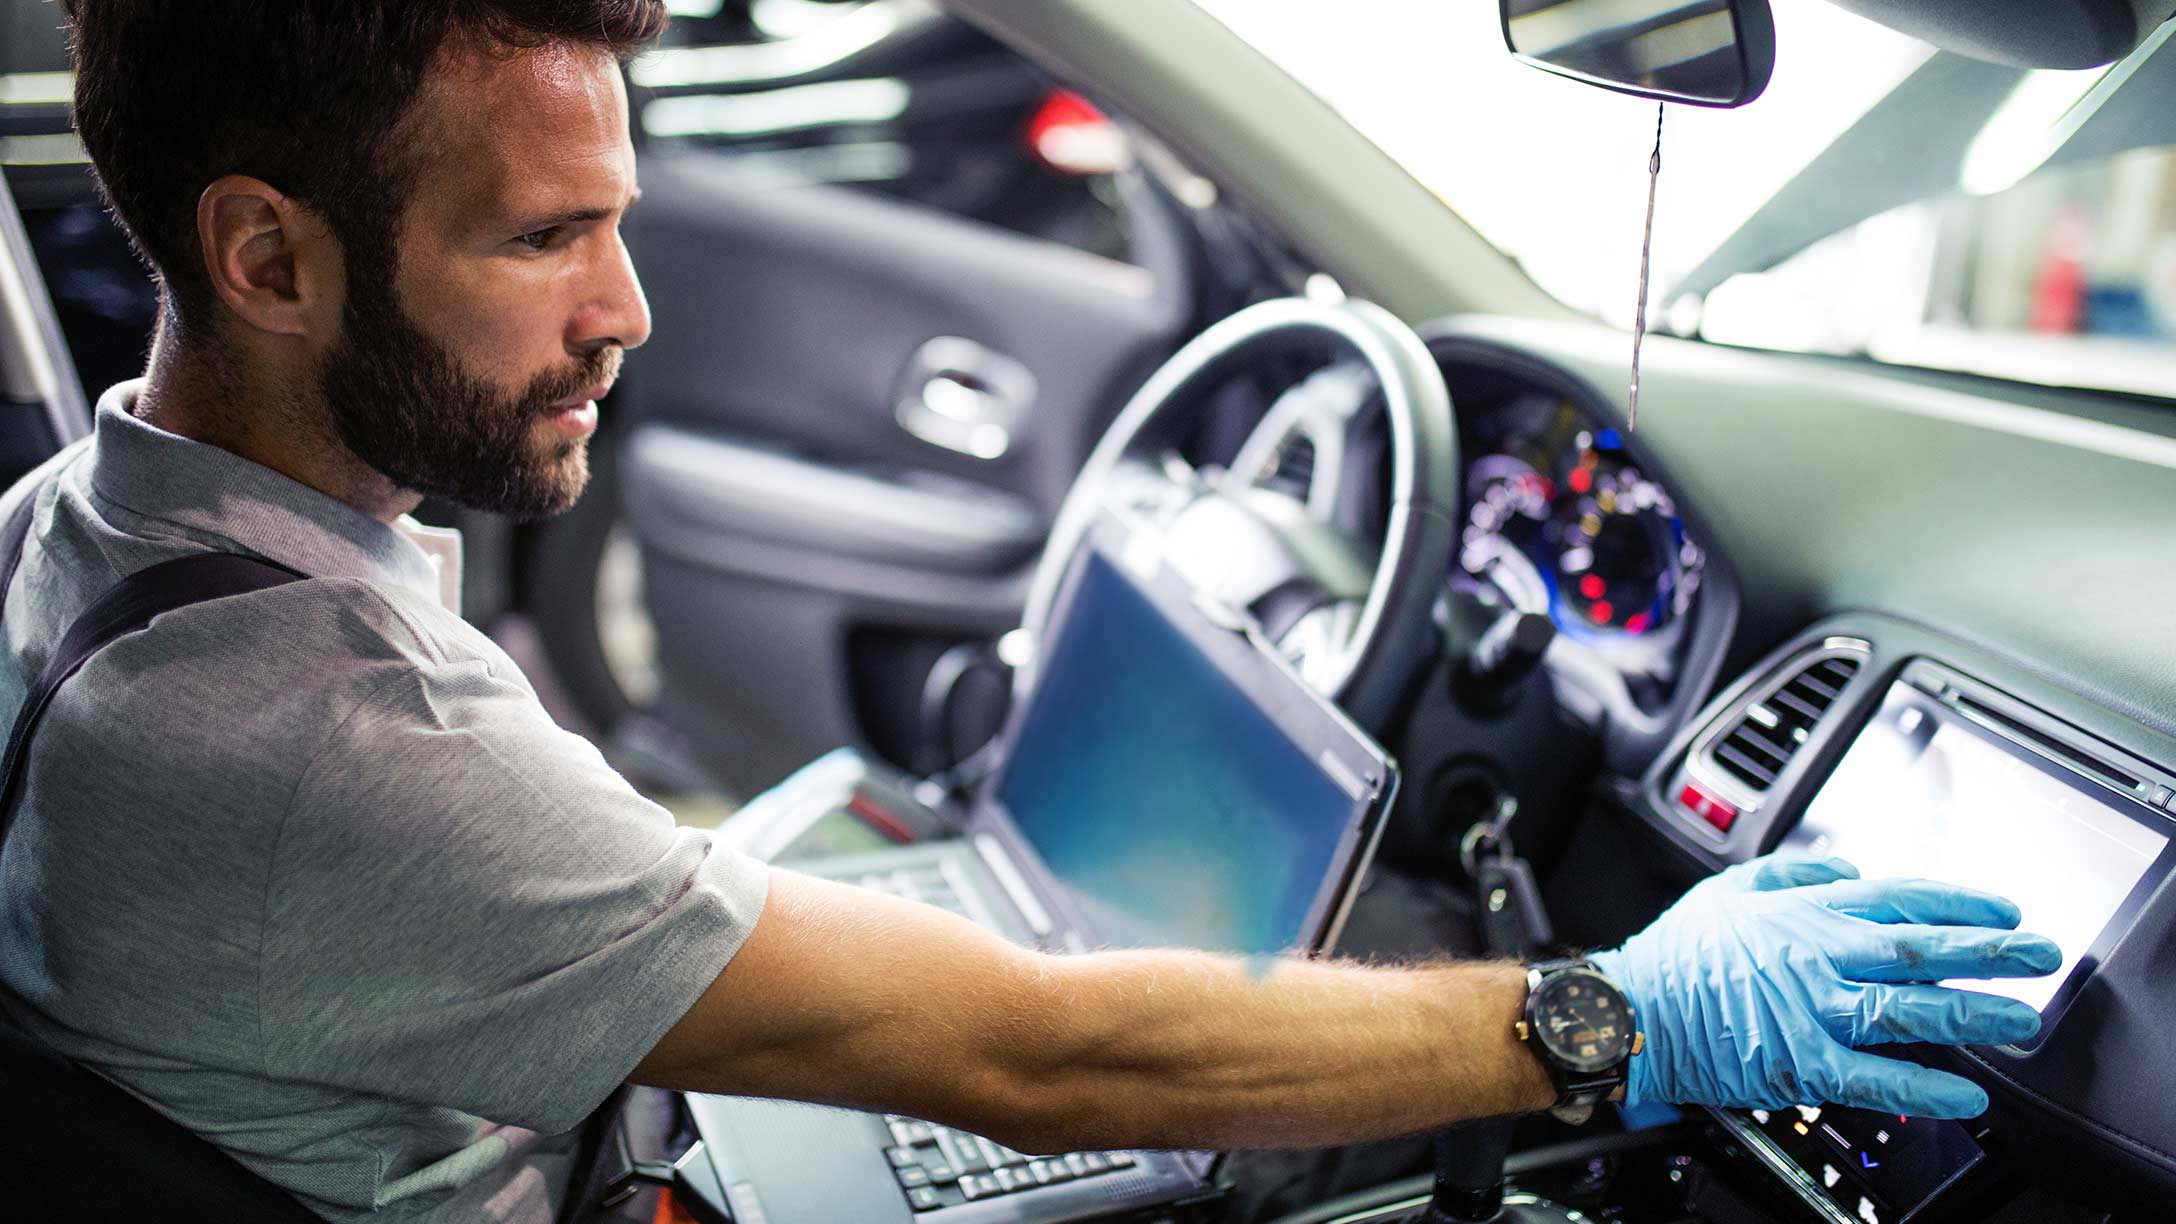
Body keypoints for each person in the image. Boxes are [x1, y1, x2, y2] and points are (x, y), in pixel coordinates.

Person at [0, 4, 2059, 1222]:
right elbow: (1046, 1055)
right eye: (542, 239)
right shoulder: (313, 746)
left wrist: (697, 898)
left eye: (617, 221)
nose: (626, 313)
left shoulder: (85, 535)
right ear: (269, 259)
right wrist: (1613, 1018)